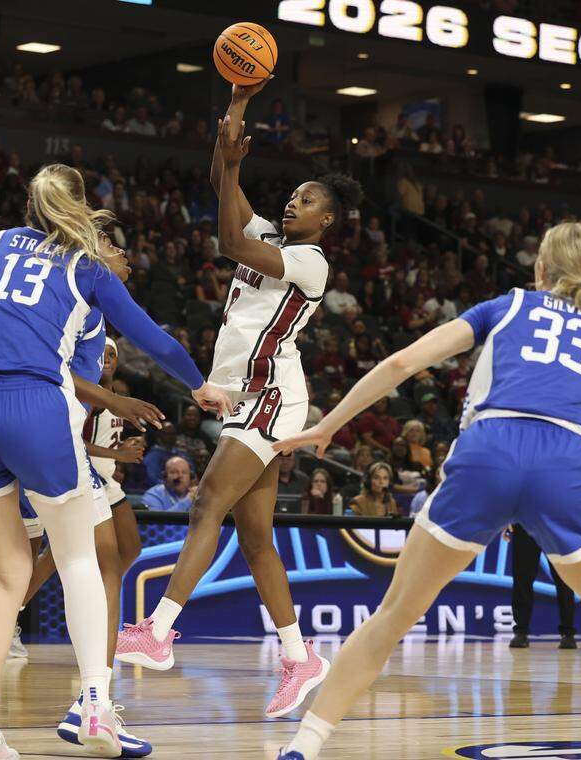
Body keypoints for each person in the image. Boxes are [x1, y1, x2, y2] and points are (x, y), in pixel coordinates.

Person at [273, 221, 581, 760]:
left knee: (393, 616)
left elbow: (402, 363)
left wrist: (329, 423)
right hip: (568, 464)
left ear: (541, 269)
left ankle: (304, 745)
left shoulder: (507, 307)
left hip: (490, 451)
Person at [0, 163, 228, 758]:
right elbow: (156, 341)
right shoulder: (88, 269)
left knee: (5, 578)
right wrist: (200, 386)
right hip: (36, 408)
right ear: (81, 209)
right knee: (79, 559)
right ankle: (97, 708)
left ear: (30, 206)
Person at [117, 79, 362, 719]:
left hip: (271, 396)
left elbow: (228, 240)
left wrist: (229, 170)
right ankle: (300, 657)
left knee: (206, 506)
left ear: (326, 221)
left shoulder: (310, 262)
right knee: (256, 541)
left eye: (307, 199)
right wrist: (235, 115)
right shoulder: (273, 237)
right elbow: (224, 197)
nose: (294, 201)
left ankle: (161, 631)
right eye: (294, 194)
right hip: (250, 395)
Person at [505, 524, 577, 649]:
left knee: (564, 578)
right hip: (525, 520)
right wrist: (508, 517)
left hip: (555, 520)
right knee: (522, 577)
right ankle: (521, 632)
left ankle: (568, 633)